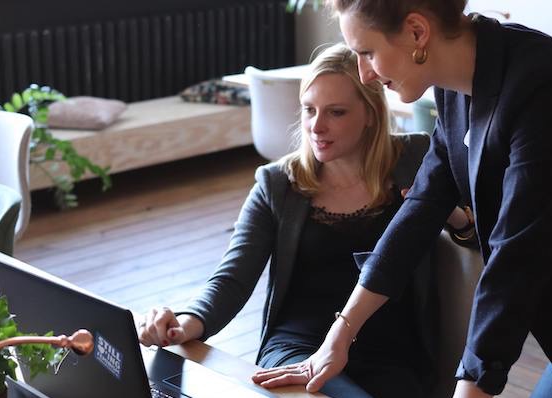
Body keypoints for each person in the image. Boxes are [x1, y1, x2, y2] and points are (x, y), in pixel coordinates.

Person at [252, 1, 552, 398]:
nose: (364, 73)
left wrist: (472, 383)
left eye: (367, 53)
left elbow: (517, 257)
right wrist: (340, 334)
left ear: (417, 32)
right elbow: (422, 206)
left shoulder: (542, 86)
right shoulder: (457, 89)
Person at [139, 43, 437, 397]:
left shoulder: (416, 158)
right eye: (309, 110)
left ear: (371, 112)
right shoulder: (278, 183)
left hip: (391, 353)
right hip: (298, 346)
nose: (317, 126)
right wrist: (185, 323)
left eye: (336, 112)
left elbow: (475, 234)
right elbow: (232, 277)